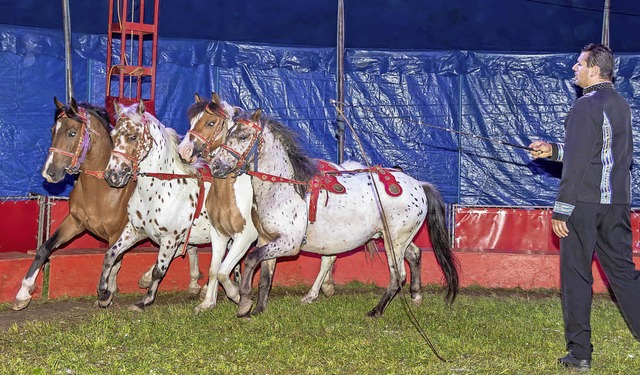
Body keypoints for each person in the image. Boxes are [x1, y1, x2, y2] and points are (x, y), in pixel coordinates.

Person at [529, 43, 640, 371]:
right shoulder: (621, 104)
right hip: (617, 203)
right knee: (624, 273)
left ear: (594, 69)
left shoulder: (583, 106)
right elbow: (599, 153)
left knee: (577, 275)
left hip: (583, 204)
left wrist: (562, 209)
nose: (574, 69)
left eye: (579, 64)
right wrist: (551, 150)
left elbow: (578, 163)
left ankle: (579, 354)